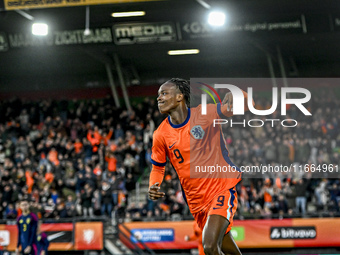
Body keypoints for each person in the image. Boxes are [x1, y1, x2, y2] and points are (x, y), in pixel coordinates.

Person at [148, 78, 252, 255]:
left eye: (164, 93)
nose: (159, 98)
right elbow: (158, 167)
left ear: (180, 96)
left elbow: (245, 104)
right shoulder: (160, 134)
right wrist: (153, 184)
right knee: (228, 250)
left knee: (210, 246)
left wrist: (237, 95)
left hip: (221, 188)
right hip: (196, 202)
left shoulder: (204, 114)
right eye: (158, 95)